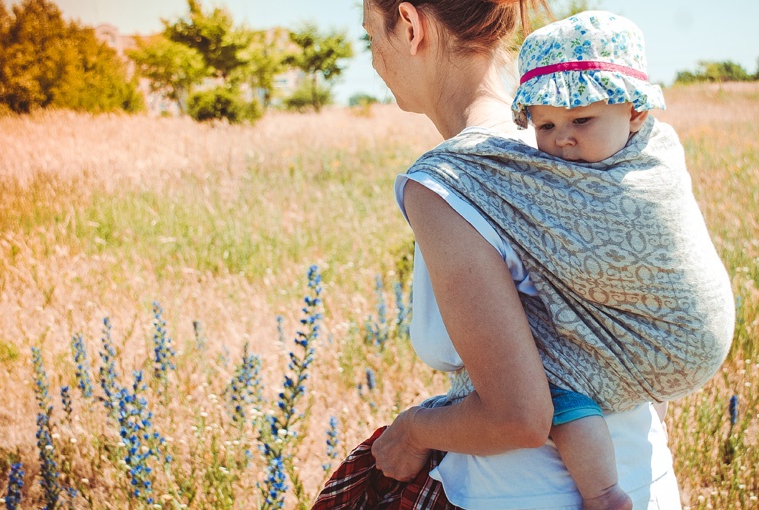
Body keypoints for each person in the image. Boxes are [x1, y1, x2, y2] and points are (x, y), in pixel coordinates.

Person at [314, 1, 733, 509]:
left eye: (370, 38)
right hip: (649, 484)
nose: (375, 61)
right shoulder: (596, 135)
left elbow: (518, 416)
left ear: (408, 24)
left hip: (523, 495)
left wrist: (411, 432)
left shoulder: (456, 181)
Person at [502, 10, 735, 510]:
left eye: (581, 119)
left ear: (635, 113)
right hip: (692, 337)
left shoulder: (649, 169)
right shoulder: (628, 151)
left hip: (672, 336)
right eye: (545, 124)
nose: (562, 138)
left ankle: (604, 491)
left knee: (553, 379)